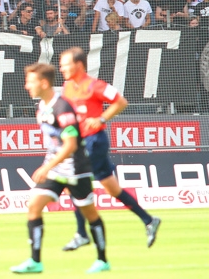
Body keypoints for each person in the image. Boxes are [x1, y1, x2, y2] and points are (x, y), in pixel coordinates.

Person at [10, 63, 110, 274]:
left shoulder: (62, 107)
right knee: (34, 206)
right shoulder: (42, 108)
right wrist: (50, 165)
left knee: (89, 213)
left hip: (76, 167)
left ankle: (102, 259)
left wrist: (47, 166)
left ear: (44, 83)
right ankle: (35, 261)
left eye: (31, 81)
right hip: (56, 168)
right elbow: (54, 143)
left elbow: (71, 145)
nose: (26, 86)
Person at [59, 47, 161, 251]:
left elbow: (121, 102)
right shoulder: (67, 87)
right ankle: (149, 220)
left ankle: (81, 234)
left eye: (65, 64)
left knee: (76, 182)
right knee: (112, 188)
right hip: (80, 141)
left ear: (79, 65)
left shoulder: (95, 85)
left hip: (93, 141)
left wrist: (101, 118)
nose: (62, 69)